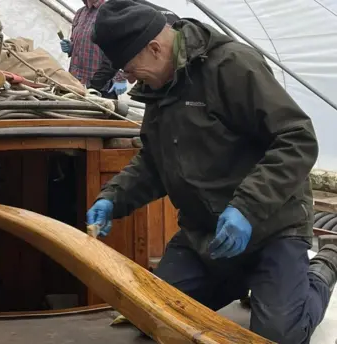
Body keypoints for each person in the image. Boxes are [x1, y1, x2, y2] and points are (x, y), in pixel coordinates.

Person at [86, 1, 337, 343]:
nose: (128, 79)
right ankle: (244, 282)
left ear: (155, 48)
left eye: (129, 69)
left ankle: (324, 266)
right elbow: (154, 162)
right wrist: (114, 198)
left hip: (272, 228)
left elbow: (297, 138)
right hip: (205, 236)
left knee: (278, 335)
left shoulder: (232, 66)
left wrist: (246, 208)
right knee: (150, 315)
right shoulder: (157, 88)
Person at [88, 0, 180, 95]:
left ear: (155, 49)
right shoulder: (157, 77)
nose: (131, 81)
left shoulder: (132, 14)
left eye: (131, 71)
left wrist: (94, 86)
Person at [59, 0, 126, 99]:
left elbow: (122, 47)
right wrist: (71, 48)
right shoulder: (80, 13)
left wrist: (121, 77)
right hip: (75, 84)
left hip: (100, 89)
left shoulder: (112, 11)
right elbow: (80, 43)